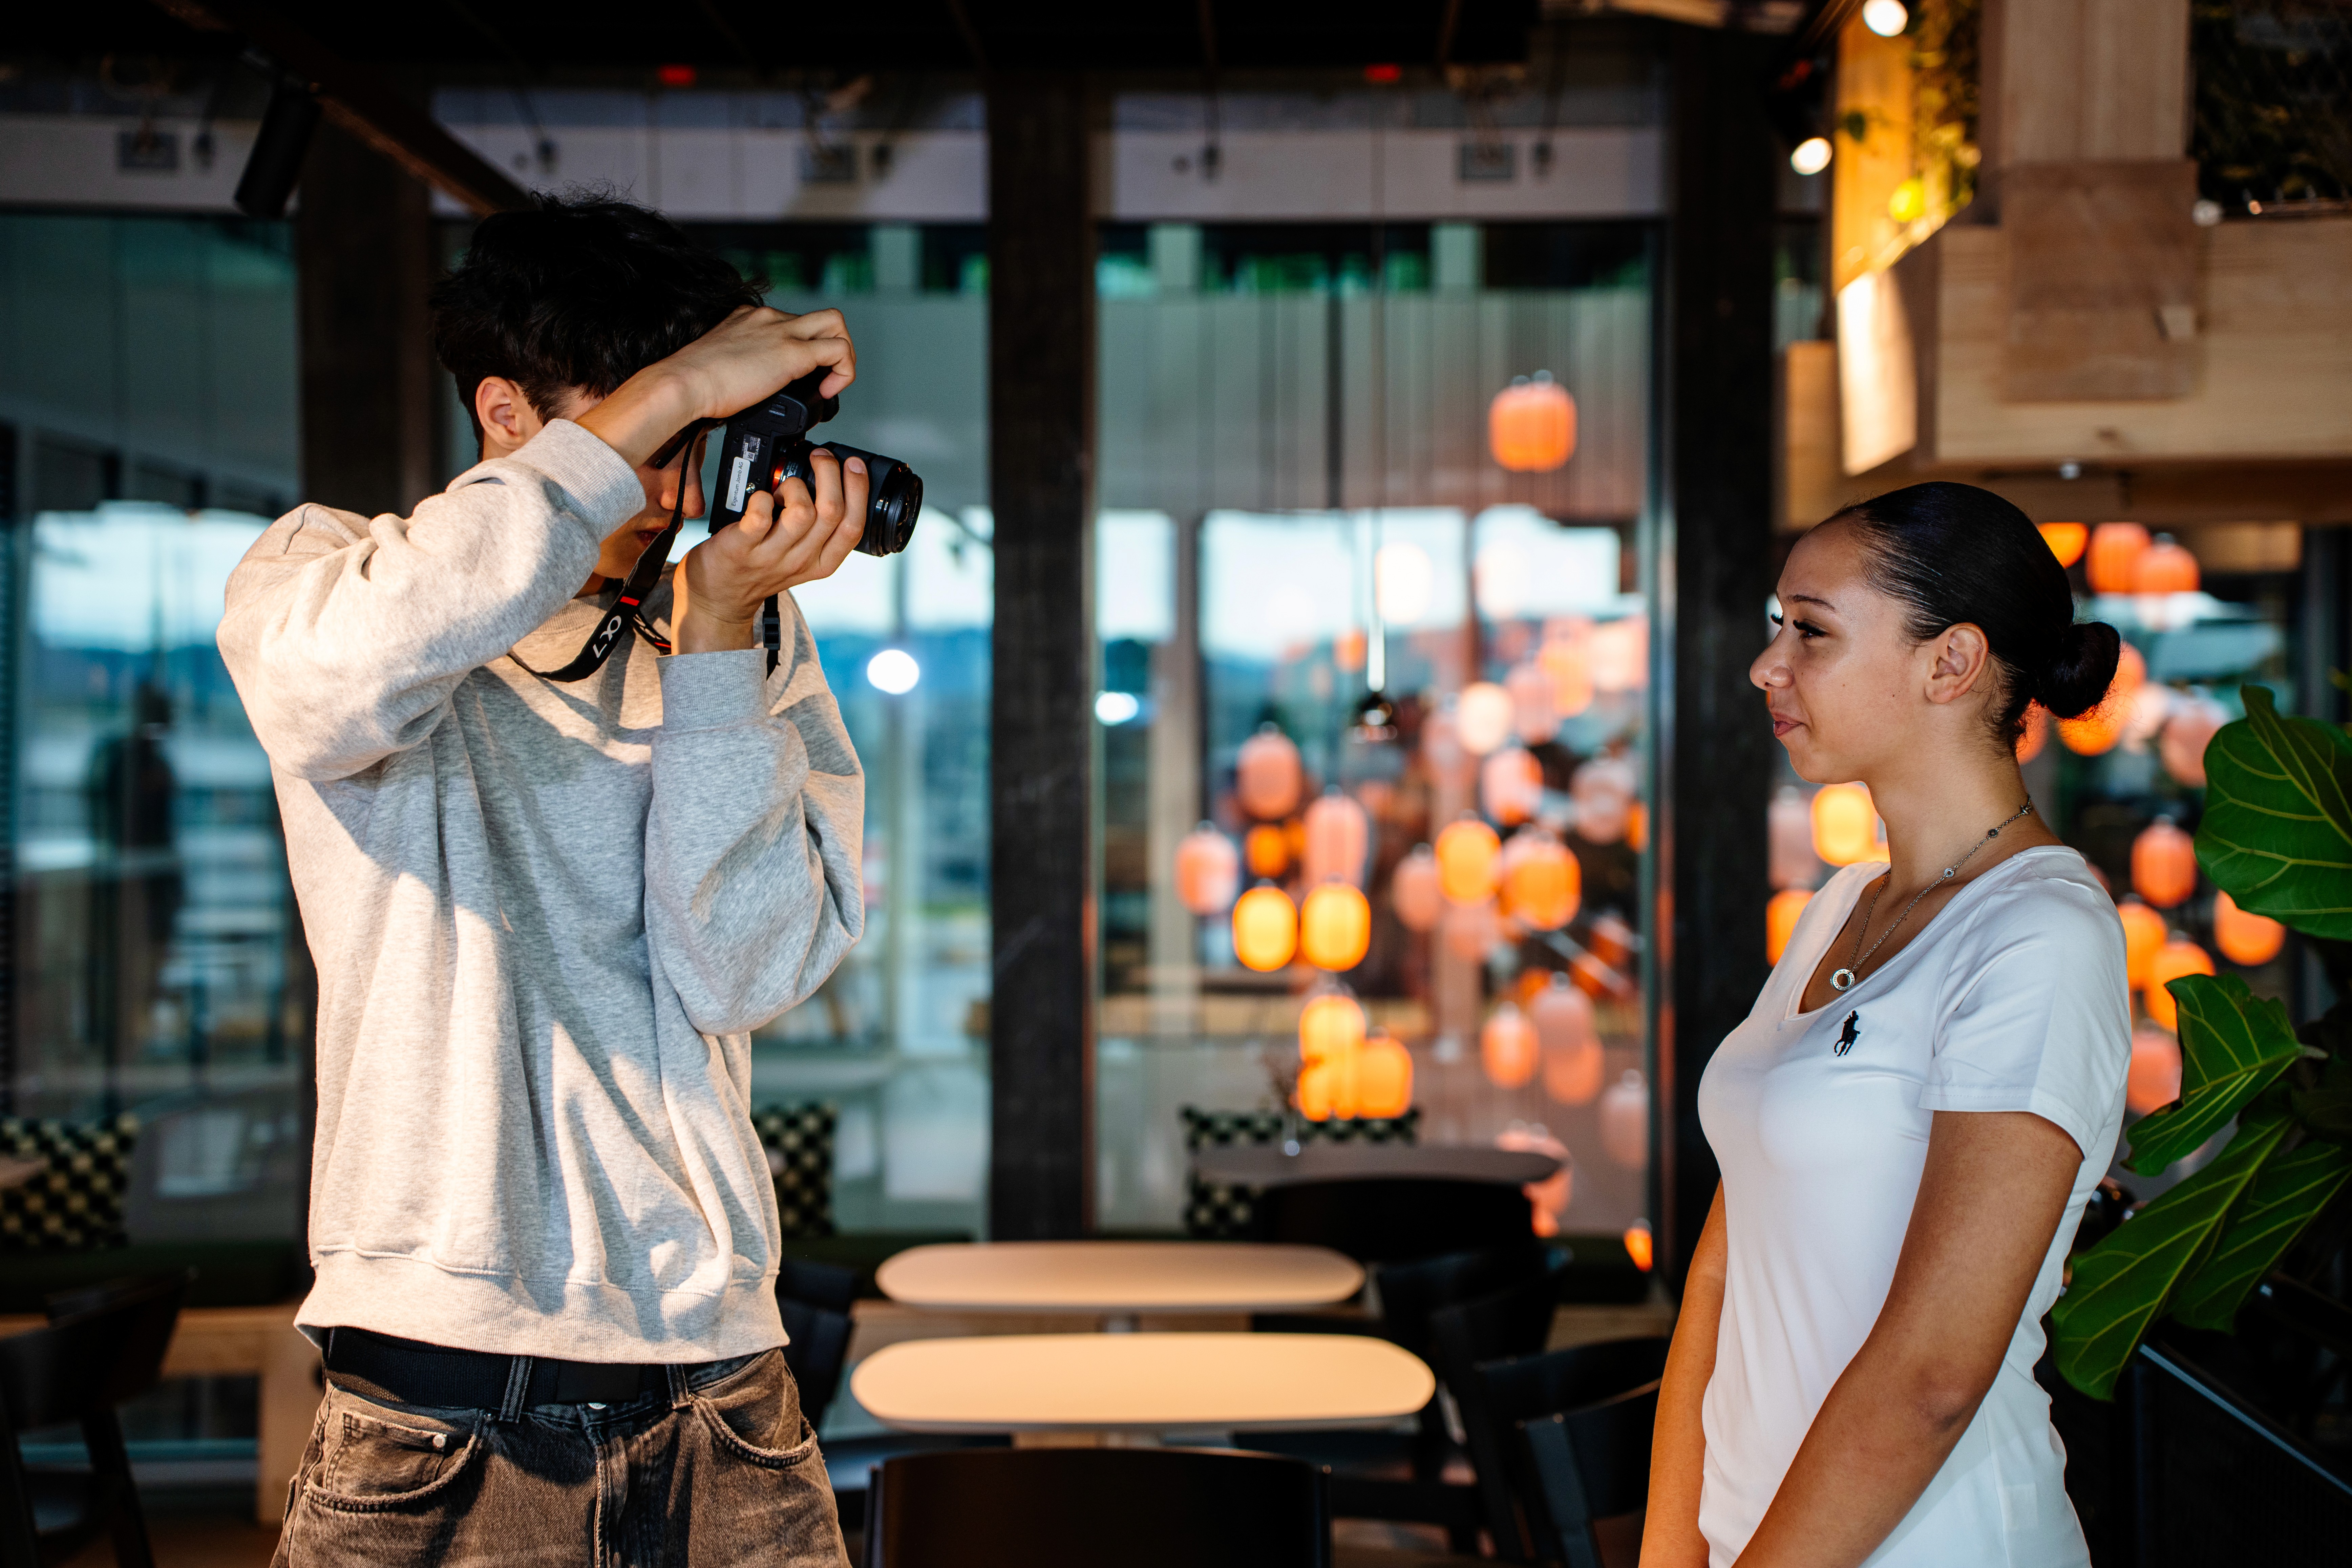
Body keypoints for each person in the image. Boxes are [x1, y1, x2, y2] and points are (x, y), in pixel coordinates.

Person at [218, 195, 870, 1566]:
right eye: (661, 426)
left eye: (714, 430)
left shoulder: (735, 635)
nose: (691, 478)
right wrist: (679, 392)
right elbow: (334, 680)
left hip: (725, 1396)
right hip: (442, 1401)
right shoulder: (326, 574)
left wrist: (717, 646)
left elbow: (739, 971)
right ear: (511, 417)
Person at [1643, 482, 2131, 1568]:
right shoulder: (1838, 909)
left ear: (1948, 665)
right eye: (1778, 629)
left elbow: (1932, 1379)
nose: (1767, 667)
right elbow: (1722, 1276)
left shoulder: (2042, 935)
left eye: (1809, 632)